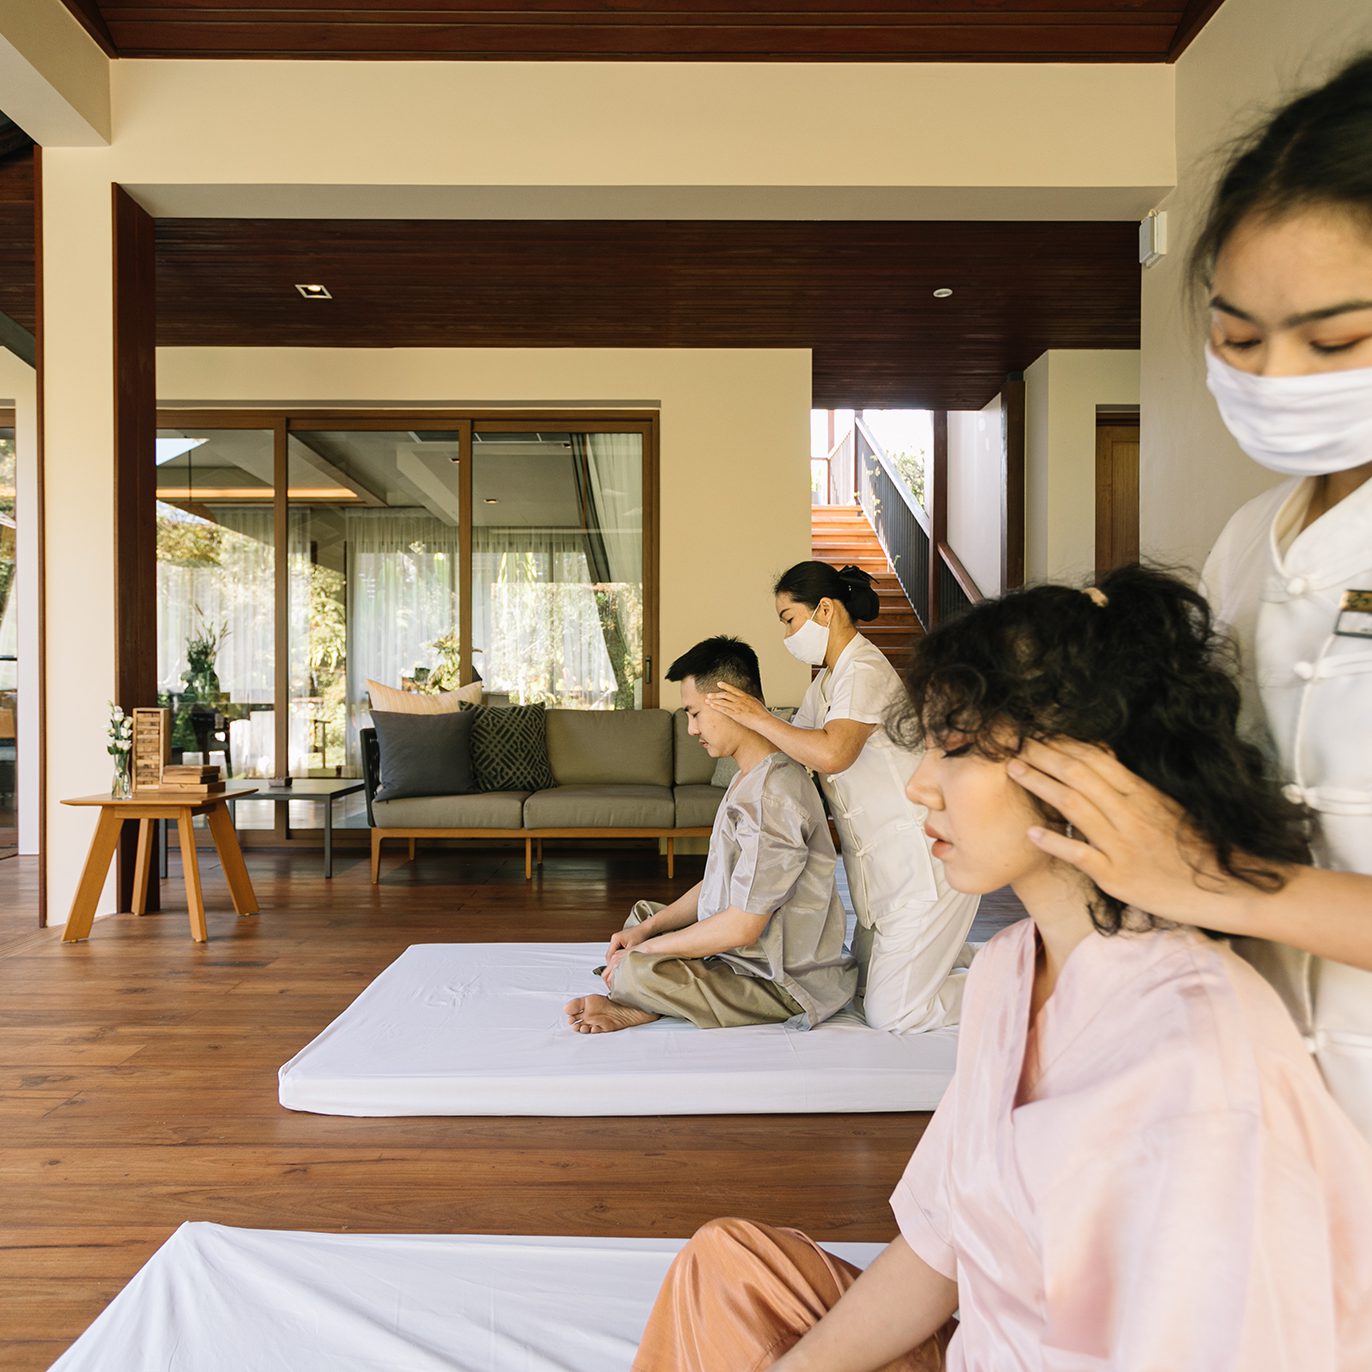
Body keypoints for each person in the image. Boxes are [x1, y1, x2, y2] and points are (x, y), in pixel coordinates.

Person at [633, 567, 1372, 1372]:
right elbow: (941, 1244)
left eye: (954, 750)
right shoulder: (1010, 968)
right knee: (723, 1263)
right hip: (981, 1339)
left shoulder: (1193, 1051)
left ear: (1087, 766)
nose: (920, 785)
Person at [1007, 51, 1372, 1139]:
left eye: (1336, 340)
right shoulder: (1248, 541)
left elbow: (1208, 862)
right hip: (1267, 1103)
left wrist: (1211, 878)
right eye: (1238, 338)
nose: (1276, 377)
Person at [705, 561, 978, 1034]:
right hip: (882, 879)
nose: (787, 634)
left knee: (893, 1014)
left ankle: (1016, 979)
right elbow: (790, 752)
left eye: (789, 619)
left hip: (923, 866)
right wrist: (727, 724)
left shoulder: (864, 669)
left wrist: (757, 715)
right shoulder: (826, 683)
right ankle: (957, 954)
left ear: (825, 610)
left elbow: (833, 753)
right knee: (861, 989)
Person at [565, 636, 856, 1035]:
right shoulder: (748, 777)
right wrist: (647, 932)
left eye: (695, 714)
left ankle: (641, 999)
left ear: (731, 702)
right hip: (738, 956)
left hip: (780, 981)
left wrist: (646, 950)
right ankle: (649, 994)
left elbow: (742, 928)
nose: (691, 729)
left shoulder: (772, 795)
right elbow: (720, 883)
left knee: (638, 965)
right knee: (645, 918)